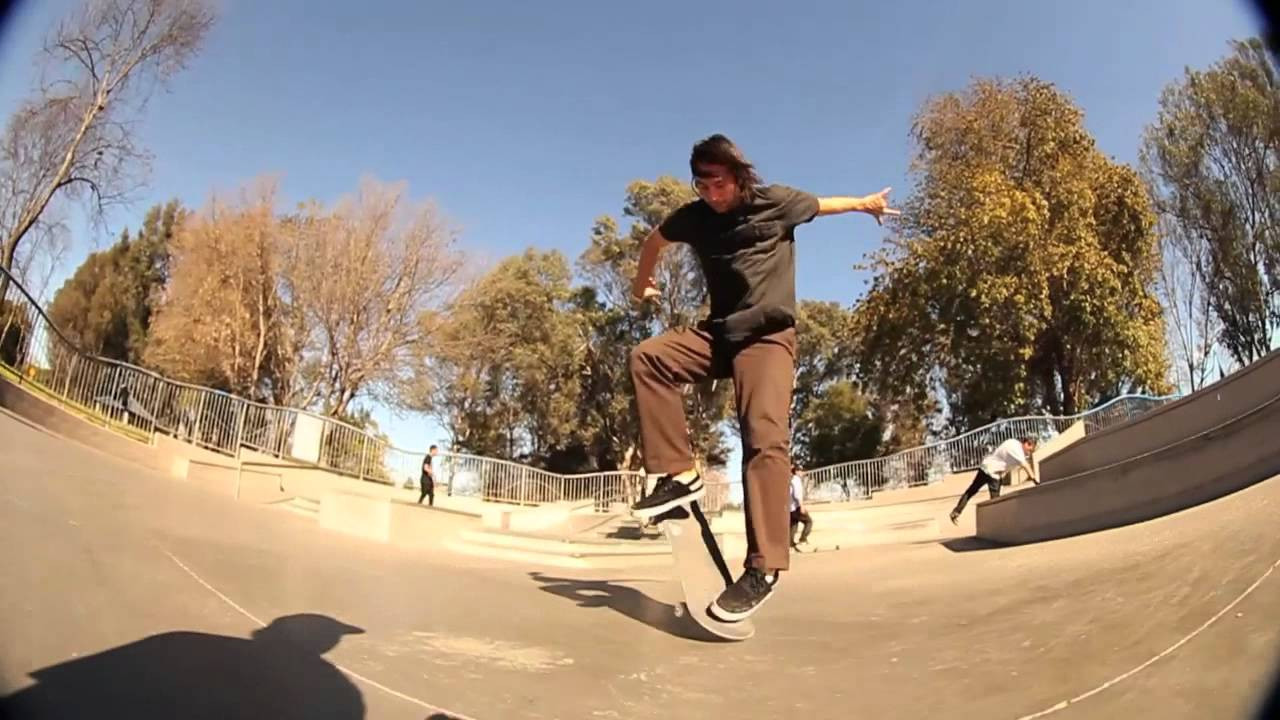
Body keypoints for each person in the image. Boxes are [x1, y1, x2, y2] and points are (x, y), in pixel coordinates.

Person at [628, 133, 898, 622]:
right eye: (702, 184)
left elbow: (824, 204)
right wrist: (641, 280)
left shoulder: (776, 202)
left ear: (737, 176)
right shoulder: (693, 217)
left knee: (763, 437)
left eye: (719, 182)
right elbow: (654, 241)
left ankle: (765, 565)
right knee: (649, 358)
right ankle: (680, 473)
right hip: (720, 336)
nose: (711, 193)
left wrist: (864, 204)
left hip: (768, 339)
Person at [949, 435, 1039, 524]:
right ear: (1027, 444)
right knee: (996, 502)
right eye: (1030, 450)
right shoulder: (1018, 451)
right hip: (993, 474)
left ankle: (956, 512)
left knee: (971, 490)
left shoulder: (1012, 441)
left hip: (985, 467)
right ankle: (997, 524)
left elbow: (1003, 458)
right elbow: (1026, 466)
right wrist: (1035, 480)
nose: (1029, 453)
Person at [789, 465, 813, 549]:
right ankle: (803, 539)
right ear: (797, 471)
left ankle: (790, 543)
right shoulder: (796, 480)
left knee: (793, 525)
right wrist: (801, 506)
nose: (803, 473)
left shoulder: (791, 479)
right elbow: (797, 494)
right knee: (808, 522)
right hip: (796, 506)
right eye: (801, 471)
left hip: (790, 507)